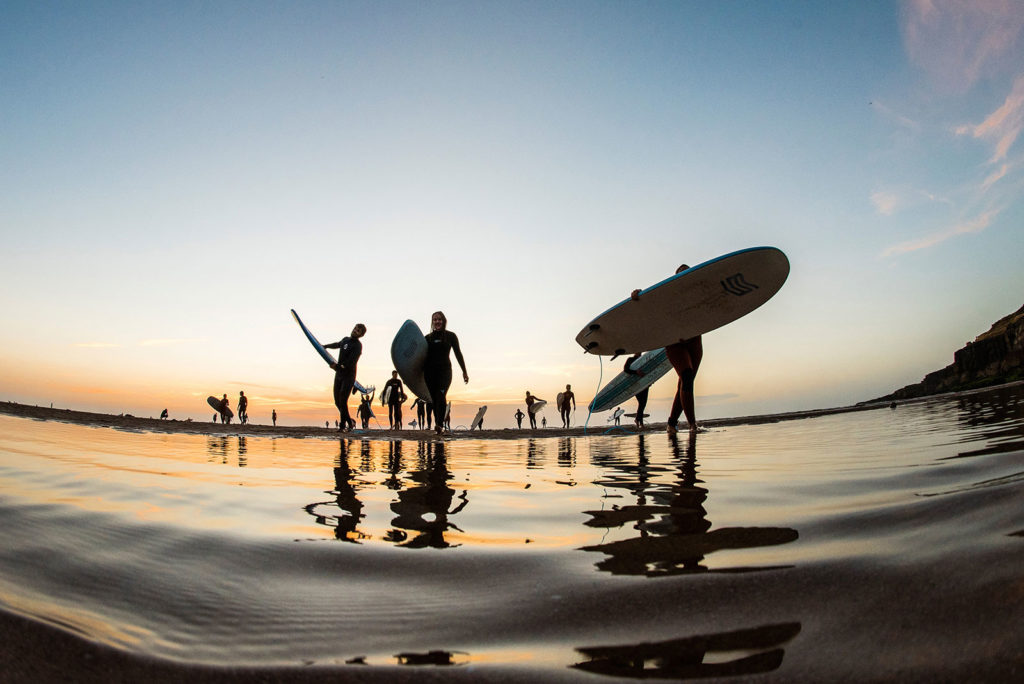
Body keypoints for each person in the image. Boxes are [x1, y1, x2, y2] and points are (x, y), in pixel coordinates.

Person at [632, 265, 702, 434]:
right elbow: (652, 306)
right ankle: (692, 424)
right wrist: (639, 296)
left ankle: (671, 423)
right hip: (674, 343)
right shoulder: (668, 297)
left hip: (694, 341)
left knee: (686, 381)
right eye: (681, 274)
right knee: (686, 376)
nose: (685, 275)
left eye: (687, 272)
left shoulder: (698, 294)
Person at [423, 312, 468, 436]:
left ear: (444, 321)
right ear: (432, 322)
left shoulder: (451, 336)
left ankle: (439, 424)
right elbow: (420, 358)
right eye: (435, 319)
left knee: (441, 395)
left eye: (439, 319)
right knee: (433, 399)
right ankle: (438, 424)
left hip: (445, 371)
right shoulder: (427, 338)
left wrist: (464, 371)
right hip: (430, 372)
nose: (437, 322)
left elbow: (458, 354)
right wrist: (411, 376)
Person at [324, 323, 366, 431]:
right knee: (337, 402)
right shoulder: (345, 339)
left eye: (358, 331)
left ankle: (342, 426)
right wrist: (325, 346)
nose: (355, 330)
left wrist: (336, 367)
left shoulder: (357, 346)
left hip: (349, 376)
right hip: (339, 374)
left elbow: (350, 362)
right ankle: (350, 422)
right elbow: (338, 344)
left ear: (361, 335)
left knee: (343, 400)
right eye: (355, 328)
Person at [624, 352, 649, 428]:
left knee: (643, 404)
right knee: (641, 403)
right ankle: (639, 421)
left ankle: (639, 421)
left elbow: (649, 370)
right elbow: (626, 370)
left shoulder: (644, 359)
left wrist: (650, 380)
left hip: (644, 385)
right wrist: (636, 372)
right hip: (635, 385)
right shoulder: (630, 359)